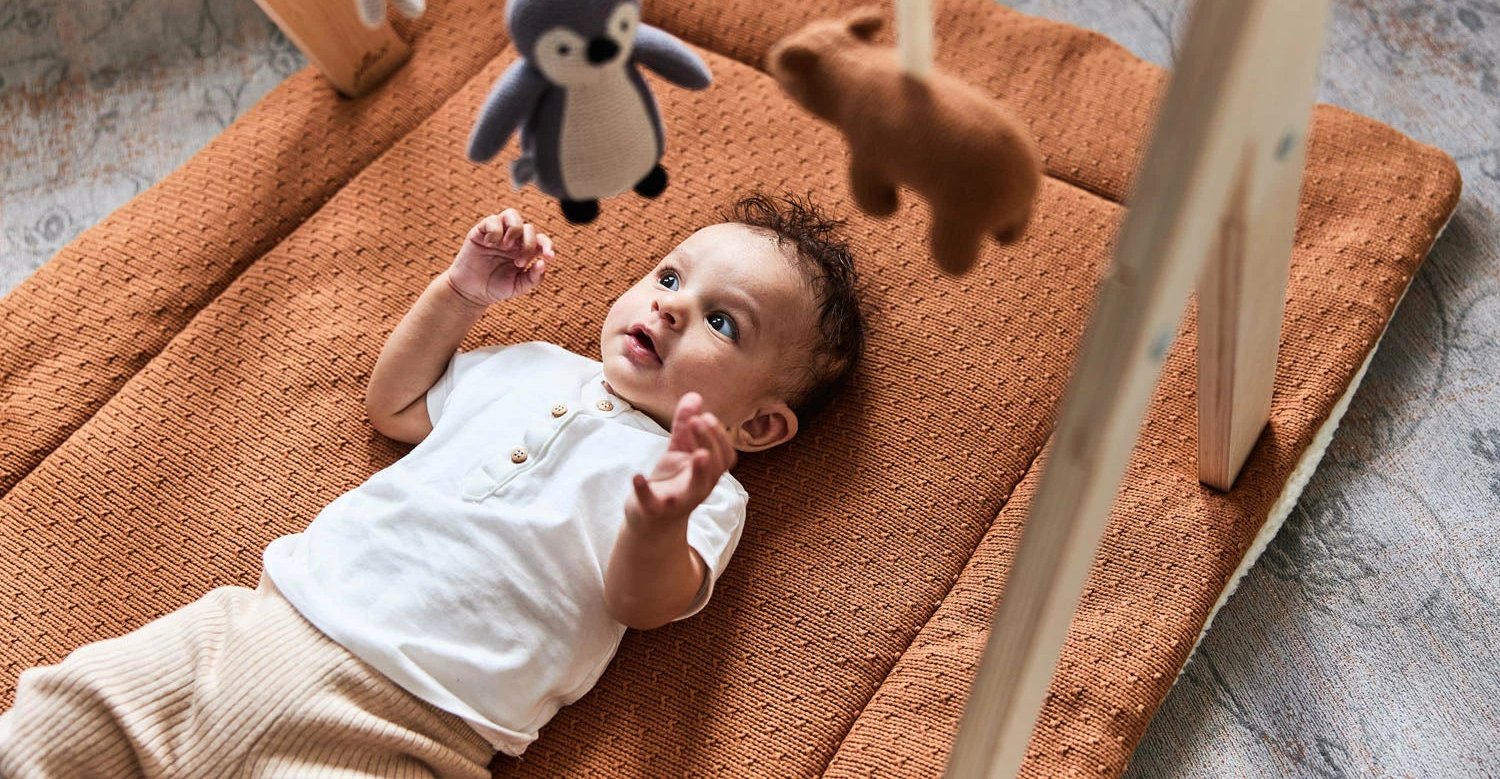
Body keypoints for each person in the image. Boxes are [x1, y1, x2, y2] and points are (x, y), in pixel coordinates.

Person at [0, 192, 866, 779]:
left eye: (723, 322)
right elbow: (396, 405)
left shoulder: (701, 485)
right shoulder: (530, 365)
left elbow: (644, 605)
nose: (671, 306)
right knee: (54, 720)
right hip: (247, 632)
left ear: (759, 426)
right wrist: (458, 295)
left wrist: (655, 523)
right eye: (670, 278)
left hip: (402, 725)